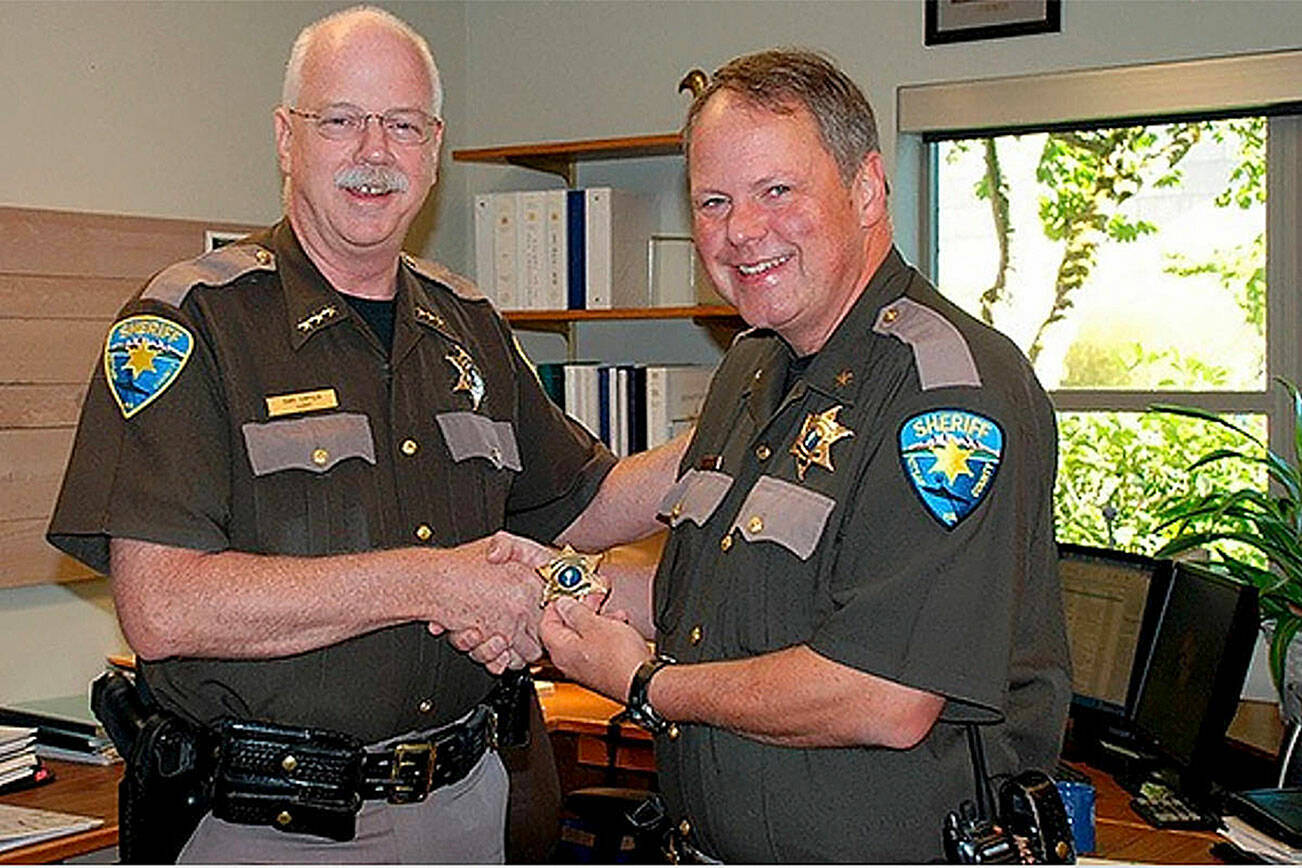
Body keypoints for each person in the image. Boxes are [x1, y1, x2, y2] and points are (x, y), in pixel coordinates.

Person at [45, 6, 674, 863]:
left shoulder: (468, 323)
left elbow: (582, 500)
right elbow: (163, 608)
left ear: (434, 148)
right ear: (286, 138)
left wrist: (729, 436)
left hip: (466, 804)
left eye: (404, 125)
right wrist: (432, 583)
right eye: (340, 120)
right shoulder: (192, 323)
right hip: (275, 827)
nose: (375, 151)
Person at [535, 49, 1072, 862]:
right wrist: (566, 589)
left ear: (867, 189)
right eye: (713, 202)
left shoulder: (946, 396)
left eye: (777, 191)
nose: (741, 231)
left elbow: (884, 695)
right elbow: (721, 598)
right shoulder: (754, 365)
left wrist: (644, 683)